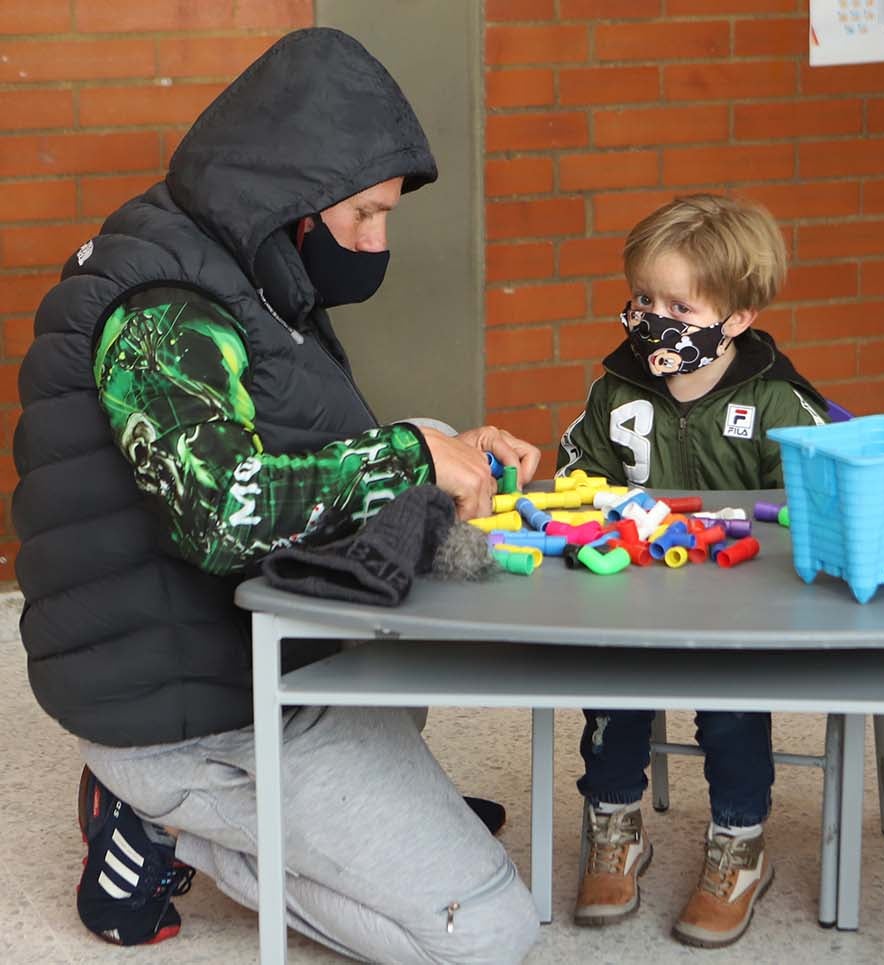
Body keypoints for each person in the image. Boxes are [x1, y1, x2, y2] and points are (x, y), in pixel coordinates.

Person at [11, 28, 540, 962]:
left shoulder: (254, 274)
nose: (377, 243)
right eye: (364, 214)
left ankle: (317, 819)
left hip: (261, 664)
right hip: (192, 711)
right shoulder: (161, 309)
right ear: (292, 200)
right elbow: (220, 508)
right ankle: (164, 816)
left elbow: (313, 449)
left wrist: (446, 449)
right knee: (488, 933)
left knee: (399, 669)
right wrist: (409, 457)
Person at [555, 193, 828, 948]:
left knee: (731, 702)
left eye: (679, 302)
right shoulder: (616, 391)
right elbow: (577, 475)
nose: (652, 316)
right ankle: (614, 824)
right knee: (611, 689)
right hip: (635, 593)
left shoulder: (775, 399)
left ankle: (739, 840)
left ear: (735, 317)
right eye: (644, 297)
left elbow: (818, 497)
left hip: (741, 603)